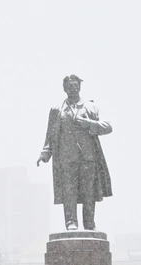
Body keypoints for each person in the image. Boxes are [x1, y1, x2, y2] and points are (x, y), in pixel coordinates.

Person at [37, 74, 112, 231]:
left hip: (88, 157)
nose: (73, 89)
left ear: (80, 87)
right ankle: (71, 221)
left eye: (76, 86)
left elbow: (107, 126)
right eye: (70, 87)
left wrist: (89, 124)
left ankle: (89, 223)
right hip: (66, 157)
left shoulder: (91, 107)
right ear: (64, 89)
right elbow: (51, 135)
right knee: (69, 191)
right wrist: (45, 152)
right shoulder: (57, 110)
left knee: (88, 192)